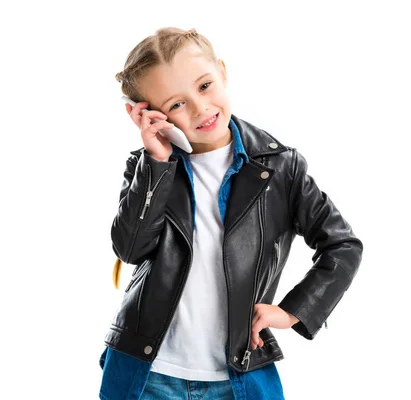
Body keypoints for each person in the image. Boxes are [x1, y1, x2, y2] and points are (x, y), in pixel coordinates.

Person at [98, 27, 363, 400]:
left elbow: (342, 245)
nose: (200, 108)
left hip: (241, 374)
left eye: (204, 86)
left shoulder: (280, 168)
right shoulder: (148, 169)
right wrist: (156, 164)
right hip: (149, 374)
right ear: (149, 115)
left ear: (222, 71)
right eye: (176, 104)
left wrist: (292, 311)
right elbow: (129, 248)